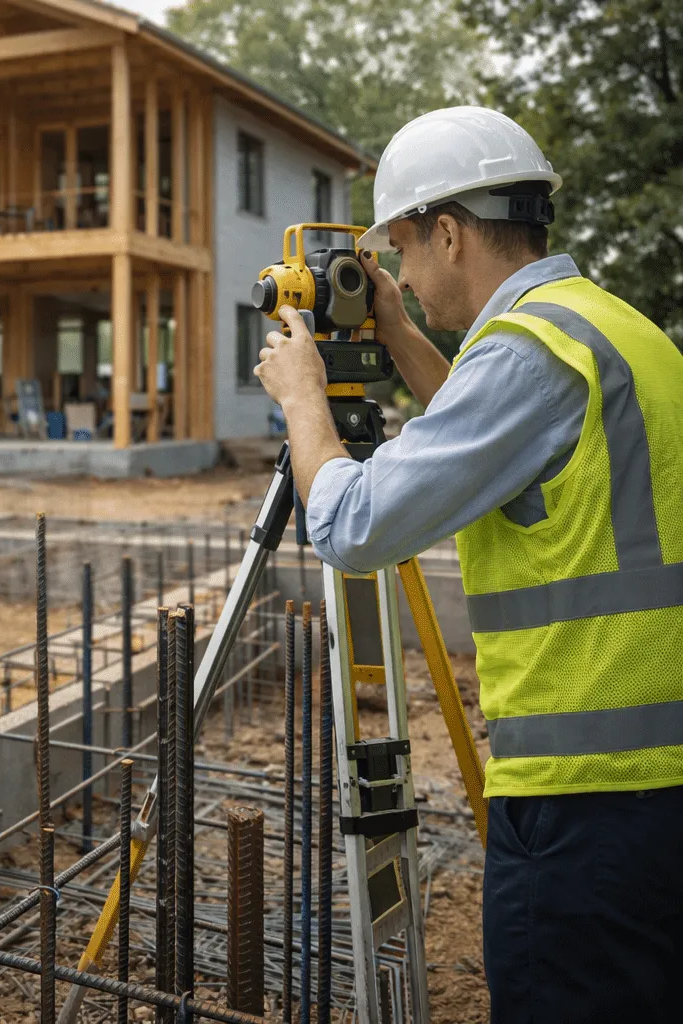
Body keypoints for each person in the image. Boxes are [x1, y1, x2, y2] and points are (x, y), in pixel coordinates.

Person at [254, 105, 683, 1021]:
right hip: (656, 788)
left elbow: (356, 525)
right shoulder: (613, 330)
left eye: (403, 250)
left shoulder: (527, 354)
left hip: (586, 804)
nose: (400, 272)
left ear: (448, 233)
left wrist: (302, 402)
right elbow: (494, 447)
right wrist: (401, 331)